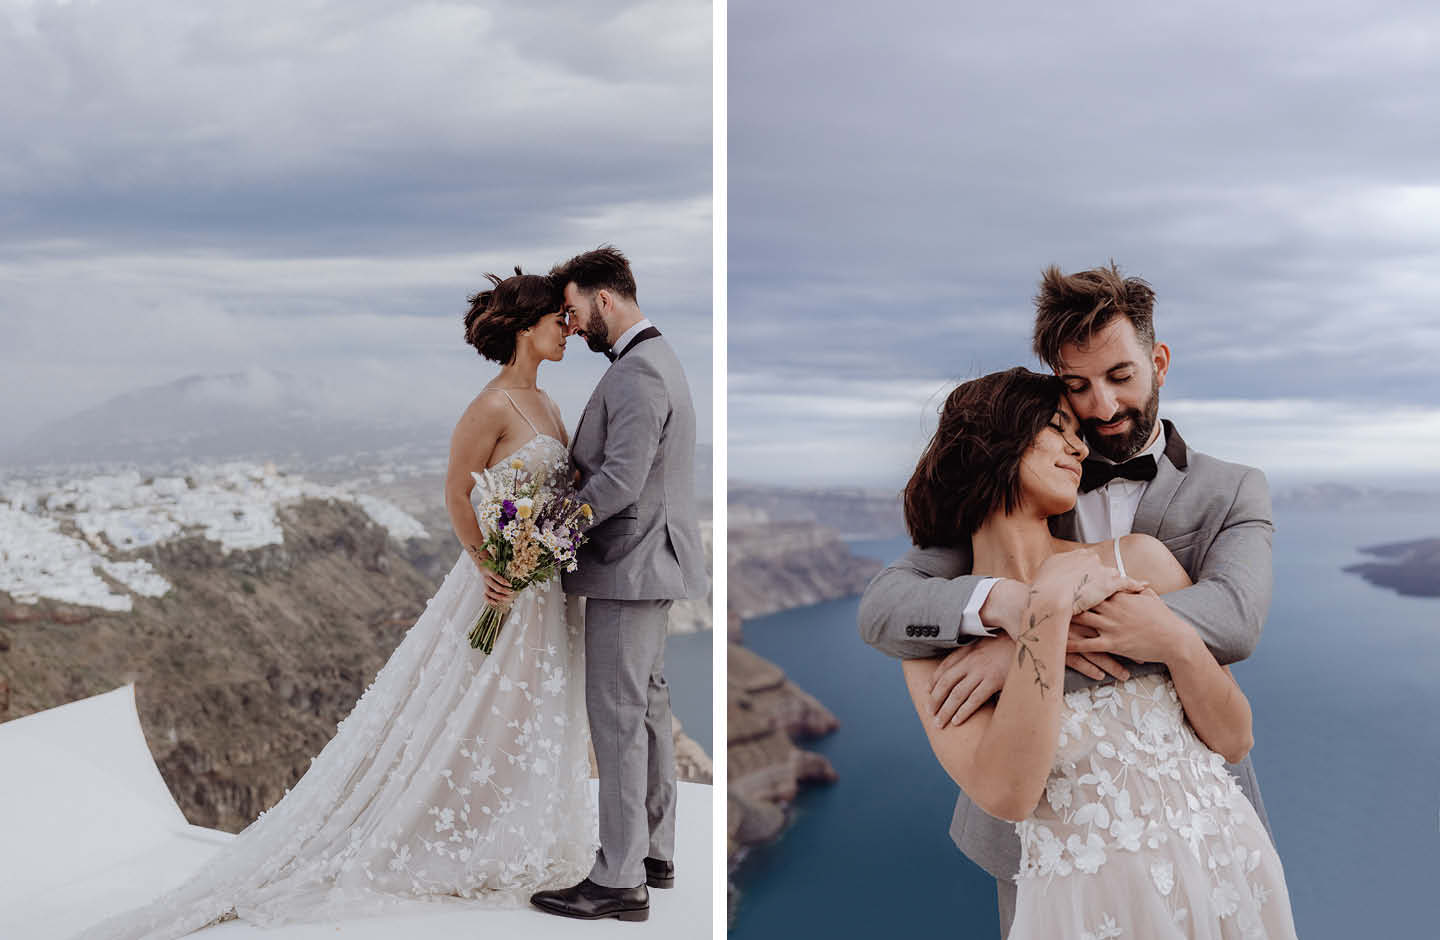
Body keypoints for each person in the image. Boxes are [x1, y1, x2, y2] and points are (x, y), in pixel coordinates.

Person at [72, 270, 597, 939]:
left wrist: (540, 549)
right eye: (559, 318)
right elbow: (455, 494)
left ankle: (513, 827)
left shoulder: (549, 405)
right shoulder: (491, 406)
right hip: (499, 587)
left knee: (523, 711)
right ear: (527, 326)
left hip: (541, 590)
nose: (569, 328)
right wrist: (491, 564)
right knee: (469, 710)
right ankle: (449, 834)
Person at [858, 263, 1278, 935]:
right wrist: (1009, 611)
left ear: (1158, 361)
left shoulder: (1231, 491)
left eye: (1120, 377)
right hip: (1056, 858)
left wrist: (1031, 647)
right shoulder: (1016, 503)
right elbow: (885, 607)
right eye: (1075, 390)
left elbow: (1231, 622)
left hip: (1201, 826)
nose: (1100, 412)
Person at [528, 246, 706, 923]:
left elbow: (620, 482)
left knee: (618, 718)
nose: (572, 327)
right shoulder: (658, 359)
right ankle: (654, 853)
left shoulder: (637, 373)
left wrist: (550, 532)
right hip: (649, 561)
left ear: (605, 300)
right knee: (649, 707)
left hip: (629, 566)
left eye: (574, 313)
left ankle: (619, 879)